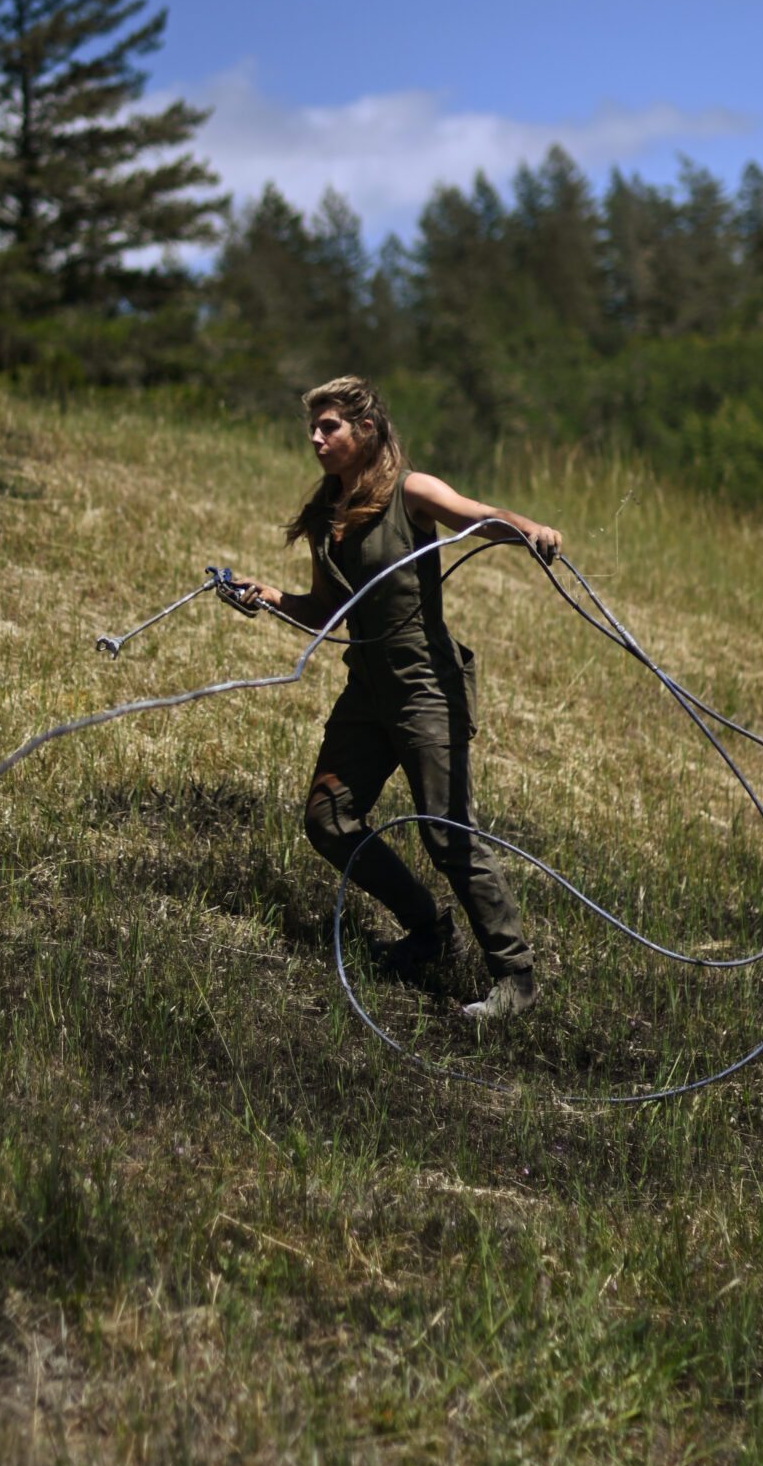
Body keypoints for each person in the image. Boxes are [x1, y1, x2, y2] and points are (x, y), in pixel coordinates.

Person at [237, 376, 562, 1024]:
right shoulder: (326, 515)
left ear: (365, 430)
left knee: (447, 833)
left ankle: (515, 979)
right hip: (367, 689)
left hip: (424, 686)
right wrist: (268, 598)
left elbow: (474, 517)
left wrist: (527, 529)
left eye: (328, 426)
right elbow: (327, 612)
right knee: (328, 821)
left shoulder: (410, 491)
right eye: (313, 427)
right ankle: (428, 933)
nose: (315, 438)